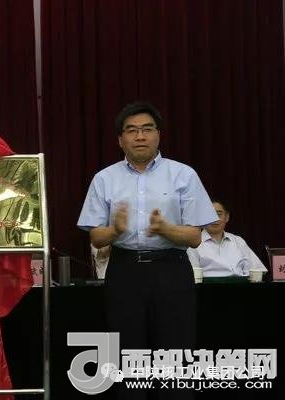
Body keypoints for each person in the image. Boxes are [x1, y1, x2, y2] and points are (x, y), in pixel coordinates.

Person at [77, 101, 217, 399]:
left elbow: (194, 237)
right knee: (128, 359)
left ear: (158, 135)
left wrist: (165, 229)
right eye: (132, 130)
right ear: (120, 139)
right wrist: (115, 231)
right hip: (124, 272)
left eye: (147, 129)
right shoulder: (104, 179)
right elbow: (96, 237)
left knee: (175, 357)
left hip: (171, 271)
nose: (140, 136)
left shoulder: (183, 175)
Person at [187, 199, 267, 277]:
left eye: (219, 214)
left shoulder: (238, 241)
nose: (214, 219)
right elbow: (193, 275)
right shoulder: (193, 243)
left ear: (227, 217)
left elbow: (257, 270)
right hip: (209, 285)